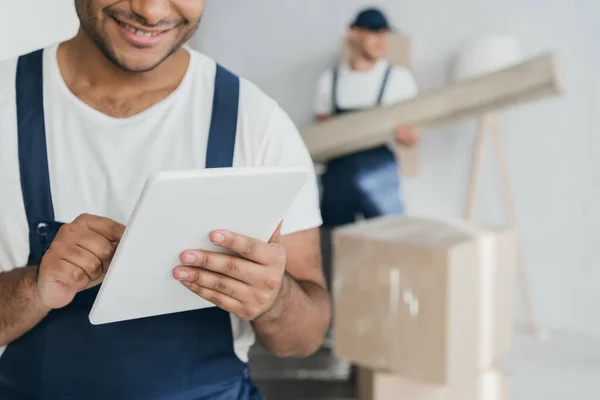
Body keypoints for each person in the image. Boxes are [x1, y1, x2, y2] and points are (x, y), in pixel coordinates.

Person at [0, 1, 330, 399]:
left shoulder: (257, 124)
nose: (152, 11)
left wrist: (274, 300)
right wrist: (35, 288)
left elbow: (305, 338)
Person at [314, 7, 421, 228]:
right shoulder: (329, 81)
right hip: (338, 178)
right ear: (354, 32)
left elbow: (414, 136)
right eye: (373, 31)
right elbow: (321, 135)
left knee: (391, 239)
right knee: (335, 245)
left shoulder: (398, 79)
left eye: (383, 33)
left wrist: (406, 136)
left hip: (380, 175)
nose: (380, 39)